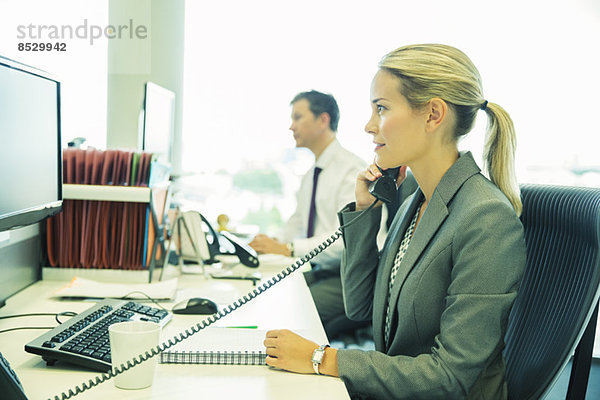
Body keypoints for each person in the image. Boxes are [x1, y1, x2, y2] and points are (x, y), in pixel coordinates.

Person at [263, 44, 527, 399]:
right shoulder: (414, 202)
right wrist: (366, 211)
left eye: (382, 108)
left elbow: (450, 377)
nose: (369, 126)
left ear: (433, 114)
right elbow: (360, 307)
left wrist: (321, 359)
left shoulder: (485, 217)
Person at [248, 90, 368, 337]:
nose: (291, 126)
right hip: (319, 270)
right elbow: (299, 222)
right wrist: (270, 243)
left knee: (288, 311)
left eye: (298, 117)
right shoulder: (313, 173)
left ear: (323, 120)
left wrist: (288, 249)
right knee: (267, 295)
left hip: (346, 278)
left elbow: (345, 239)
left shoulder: (351, 171)